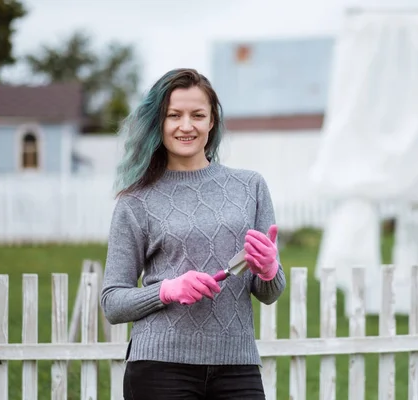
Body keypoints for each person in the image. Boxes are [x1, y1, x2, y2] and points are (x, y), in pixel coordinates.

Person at [100, 68, 286, 400]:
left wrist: (269, 269)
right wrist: (167, 290)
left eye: (197, 115)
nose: (187, 126)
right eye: (174, 115)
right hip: (159, 368)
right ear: (159, 123)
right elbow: (113, 302)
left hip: (237, 364)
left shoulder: (251, 187)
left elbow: (269, 292)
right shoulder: (135, 201)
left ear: (212, 121)